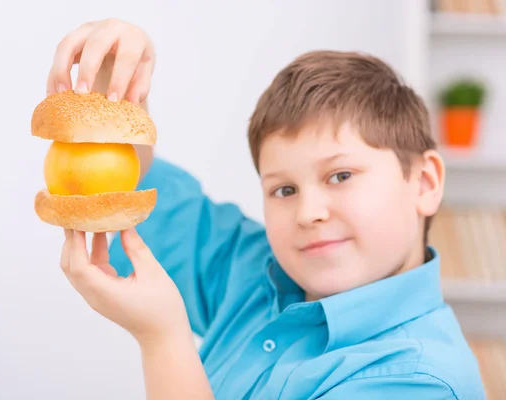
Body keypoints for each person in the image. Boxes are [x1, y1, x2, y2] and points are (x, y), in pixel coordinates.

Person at [49, 18, 486, 399]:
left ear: (425, 183)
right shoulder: (253, 270)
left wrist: (162, 340)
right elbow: (147, 193)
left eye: (341, 176)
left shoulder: (419, 381)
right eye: (284, 190)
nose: (308, 213)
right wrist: (117, 93)